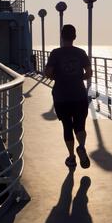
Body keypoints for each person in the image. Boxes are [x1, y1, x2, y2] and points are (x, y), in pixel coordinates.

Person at [45, 25, 92, 169]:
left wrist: (59, 77)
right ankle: (82, 147)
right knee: (80, 124)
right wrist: (78, 78)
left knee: (67, 125)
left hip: (61, 95)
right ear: (74, 37)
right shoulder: (81, 53)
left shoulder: (55, 53)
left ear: (61, 36)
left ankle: (71, 157)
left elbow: (48, 73)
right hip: (79, 93)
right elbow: (89, 73)